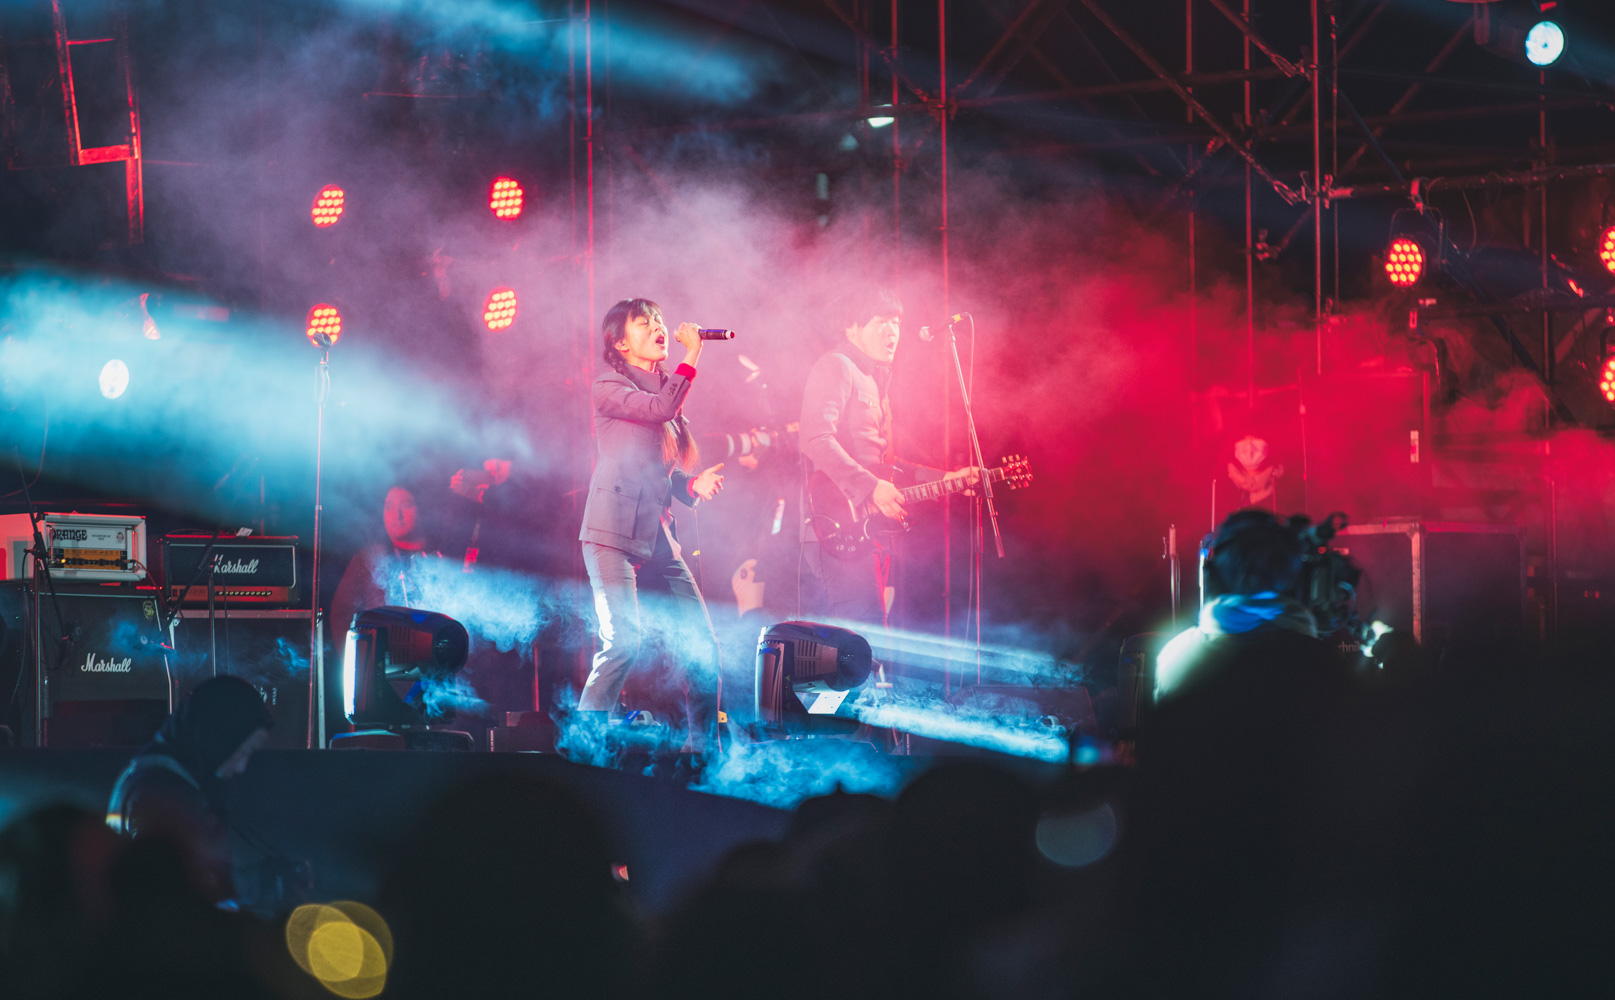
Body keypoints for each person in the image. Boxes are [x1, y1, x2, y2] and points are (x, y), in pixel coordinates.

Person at [576, 298, 727, 749]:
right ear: (621, 343)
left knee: (703, 645)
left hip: (658, 537)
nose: (659, 327)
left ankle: (703, 746)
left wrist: (690, 485)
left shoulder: (665, 391)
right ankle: (586, 742)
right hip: (611, 533)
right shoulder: (609, 386)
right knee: (623, 642)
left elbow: (655, 469)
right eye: (645, 323)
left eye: (659, 319)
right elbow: (659, 409)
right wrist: (694, 352)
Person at [798, 286, 979, 625]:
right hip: (834, 523)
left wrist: (945, 478)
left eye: (896, 322)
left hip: (870, 527)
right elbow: (814, 438)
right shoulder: (837, 366)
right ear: (852, 327)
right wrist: (870, 487)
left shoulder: (875, 381)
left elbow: (886, 466)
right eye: (881, 322)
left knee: (870, 631)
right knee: (862, 630)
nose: (892, 331)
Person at [105, 676, 274, 905]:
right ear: (217, 738)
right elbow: (173, 892)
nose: (241, 767)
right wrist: (260, 882)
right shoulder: (160, 795)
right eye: (243, 751)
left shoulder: (161, 779)